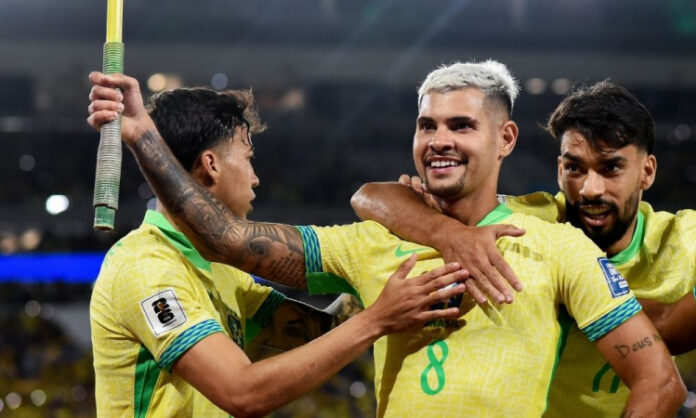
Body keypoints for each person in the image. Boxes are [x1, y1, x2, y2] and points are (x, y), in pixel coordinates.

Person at [87, 61, 686, 417]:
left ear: (505, 139)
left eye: (461, 125)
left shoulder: (556, 243)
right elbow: (228, 238)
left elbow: (660, 382)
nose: (440, 140)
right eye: (427, 125)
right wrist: (142, 134)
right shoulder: (370, 242)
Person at [88, 84, 468, 417]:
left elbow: (322, 332)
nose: (255, 178)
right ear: (211, 165)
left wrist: (396, 241)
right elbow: (241, 393)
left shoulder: (221, 266)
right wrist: (376, 320)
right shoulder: (146, 266)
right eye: (248, 158)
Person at [352, 80, 696, 416]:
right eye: (574, 168)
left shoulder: (683, 238)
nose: (590, 189)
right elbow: (370, 196)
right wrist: (446, 231)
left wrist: (579, 298)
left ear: (647, 172)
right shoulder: (528, 221)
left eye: (611, 168)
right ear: (559, 170)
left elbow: (670, 334)